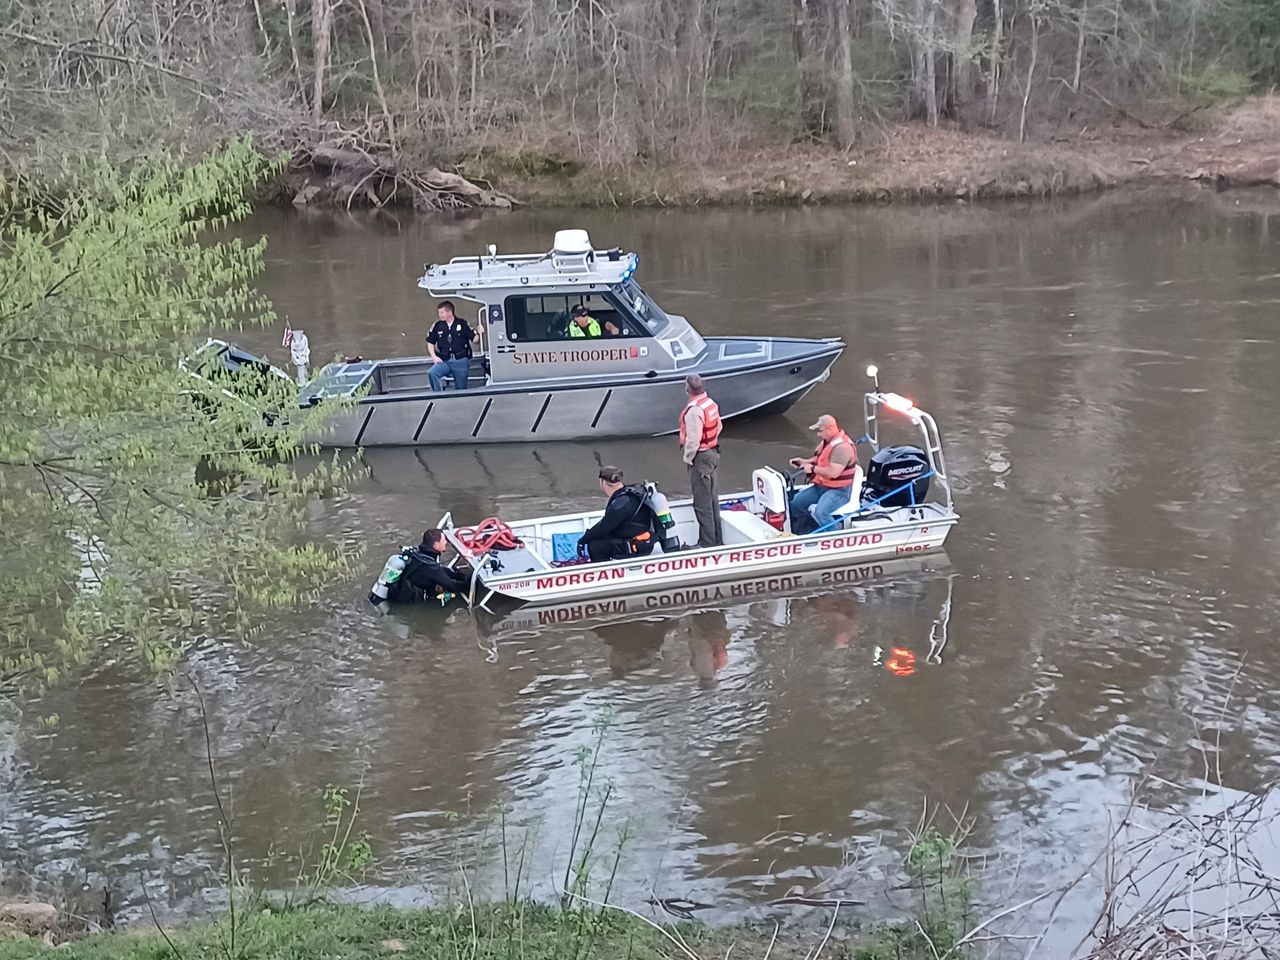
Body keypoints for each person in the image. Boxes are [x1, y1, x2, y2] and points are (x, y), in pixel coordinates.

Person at [788, 414, 859, 534]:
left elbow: (833, 472)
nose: (818, 434)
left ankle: (835, 536)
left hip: (839, 491)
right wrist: (804, 462)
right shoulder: (826, 442)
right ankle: (807, 529)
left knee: (821, 513)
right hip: (822, 486)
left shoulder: (842, 448)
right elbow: (820, 459)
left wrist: (812, 468)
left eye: (820, 431)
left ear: (830, 429)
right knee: (795, 504)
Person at [577, 466, 658, 563]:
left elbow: (603, 528)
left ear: (603, 483)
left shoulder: (620, 503)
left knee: (595, 546)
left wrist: (583, 541)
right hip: (645, 543)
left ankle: (605, 574)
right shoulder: (630, 494)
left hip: (637, 548)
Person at [679, 374, 722, 547]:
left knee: (702, 503)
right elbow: (719, 426)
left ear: (688, 389)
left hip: (701, 458)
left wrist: (688, 458)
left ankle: (707, 543)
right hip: (713, 453)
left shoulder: (694, 411)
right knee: (712, 499)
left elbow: (693, 440)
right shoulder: (710, 404)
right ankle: (717, 539)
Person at [395, 529, 473, 602]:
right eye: (443, 540)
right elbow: (453, 587)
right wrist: (470, 583)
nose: (446, 542)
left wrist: (457, 575)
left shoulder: (419, 555)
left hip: (402, 590)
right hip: (410, 599)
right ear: (436, 545)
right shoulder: (430, 566)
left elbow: (440, 571)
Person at [426, 300, 482, 391]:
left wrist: (479, 333)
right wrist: (434, 356)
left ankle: (460, 401)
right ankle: (437, 395)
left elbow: (474, 340)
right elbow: (430, 342)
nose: (440, 315)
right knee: (432, 373)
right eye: (439, 313)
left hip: (460, 361)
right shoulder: (437, 325)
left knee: (461, 389)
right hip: (444, 360)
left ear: (449, 312)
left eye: (442, 313)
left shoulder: (462, 324)